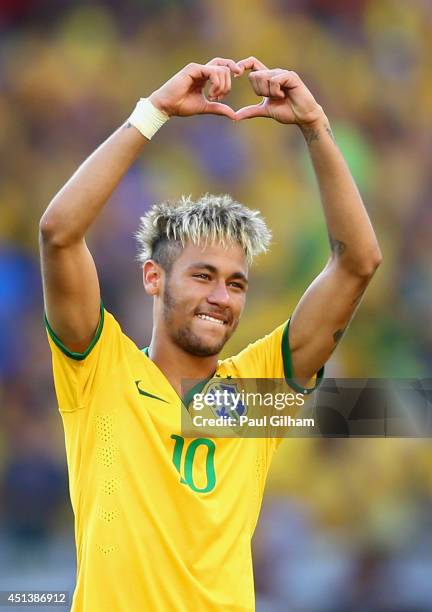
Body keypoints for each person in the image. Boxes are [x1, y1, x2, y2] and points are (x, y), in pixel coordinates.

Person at [39, 56, 382, 611]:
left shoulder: (257, 394)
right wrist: (154, 113)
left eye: (236, 284)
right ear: (154, 276)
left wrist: (314, 125)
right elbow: (58, 233)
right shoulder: (99, 372)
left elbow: (358, 263)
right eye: (203, 276)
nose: (222, 299)